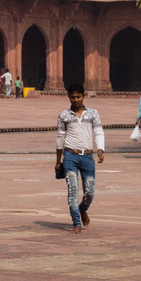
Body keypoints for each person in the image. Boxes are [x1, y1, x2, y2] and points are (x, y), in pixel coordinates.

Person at [55, 88, 105, 233]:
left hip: (87, 156)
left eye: (78, 97)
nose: (75, 100)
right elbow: (60, 137)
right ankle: (76, 223)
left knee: (90, 192)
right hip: (70, 155)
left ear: (83, 96)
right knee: (73, 189)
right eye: (73, 97)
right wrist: (58, 161)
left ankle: (82, 209)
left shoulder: (92, 113)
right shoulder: (64, 115)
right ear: (68, 97)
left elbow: (98, 131)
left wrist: (100, 148)